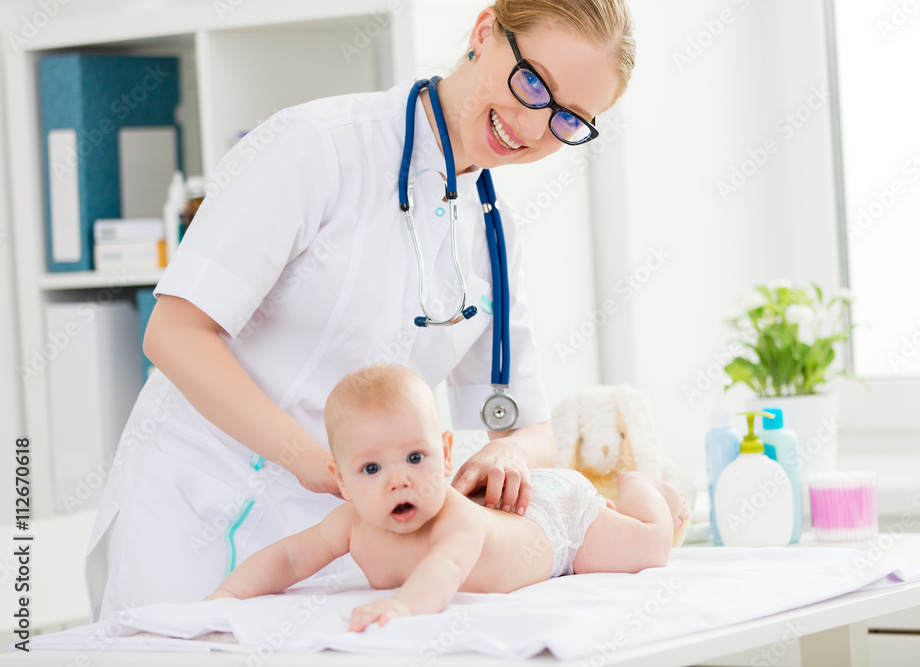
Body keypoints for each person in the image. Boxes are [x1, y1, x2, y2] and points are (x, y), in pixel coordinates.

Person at [85, 0, 636, 621]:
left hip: (341, 546)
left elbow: (528, 427)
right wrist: (309, 460)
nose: (536, 128)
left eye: (569, 119)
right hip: (192, 511)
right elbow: (175, 334)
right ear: (485, 32)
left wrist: (505, 456)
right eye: (534, 82)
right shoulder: (318, 147)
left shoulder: (493, 232)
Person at [204, 366, 689, 632]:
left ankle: (640, 486)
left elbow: (443, 572)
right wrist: (226, 595)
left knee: (651, 547)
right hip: (518, 518)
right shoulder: (351, 522)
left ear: (446, 453)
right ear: (342, 480)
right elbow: (289, 558)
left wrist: (402, 608)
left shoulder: (456, 522)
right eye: (372, 469)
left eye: (416, 458)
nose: (399, 481)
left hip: (556, 521)